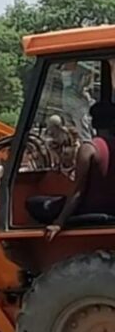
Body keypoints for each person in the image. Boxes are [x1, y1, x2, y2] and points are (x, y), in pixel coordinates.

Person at [46, 102, 115, 240]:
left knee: (37, 204)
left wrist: (59, 223)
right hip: (111, 208)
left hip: (90, 209)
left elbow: (77, 191)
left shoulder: (89, 149)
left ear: (93, 123)